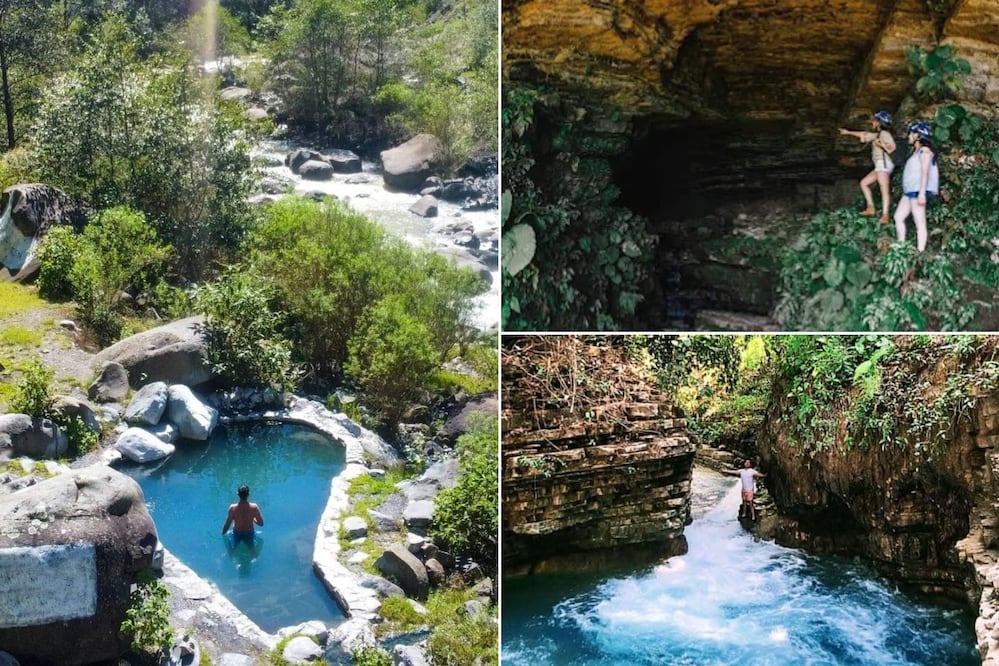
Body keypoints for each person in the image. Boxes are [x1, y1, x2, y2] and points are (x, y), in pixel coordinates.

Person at [839, 111, 897, 224]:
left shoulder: (885, 134)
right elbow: (864, 134)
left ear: (880, 122)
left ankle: (885, 215)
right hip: (879, 165)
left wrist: (880, 144)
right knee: (864, 183)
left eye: (875, 120)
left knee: (884, 189)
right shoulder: (878, 134)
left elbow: (891, 148)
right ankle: (871, 208)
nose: (872, 122)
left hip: (884, 164)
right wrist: (848, 132)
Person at [893, 122, 939, 253]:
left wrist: (922, 194)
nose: (909, 136)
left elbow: (925, 172)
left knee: (920, 222)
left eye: (911, 133)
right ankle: (901, 246)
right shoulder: (916, 151)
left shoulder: (925, 151)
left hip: (917, 191)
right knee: (898, 217)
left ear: (918, 135)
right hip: (910, 191)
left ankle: (920, 251)